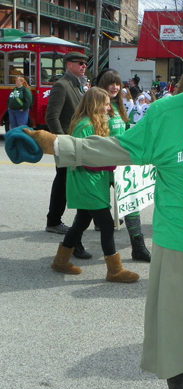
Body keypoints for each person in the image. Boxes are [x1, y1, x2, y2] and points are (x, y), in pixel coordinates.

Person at [25, 35, 183, 389]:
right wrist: (55, 143)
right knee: (176, 320)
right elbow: (116, 146)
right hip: (178, 237)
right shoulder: (165, 113)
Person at [50, 87, 139, 283]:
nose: (109, 108)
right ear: (95, 104)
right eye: (106, 104)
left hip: (92, 180)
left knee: (82, 220)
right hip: (87, 181)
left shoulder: (91, 121)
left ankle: (60, 260)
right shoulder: (85, 125)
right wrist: (111, 162)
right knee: (107, 224)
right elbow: (85, 158)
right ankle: (114, 270)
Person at [96, 69, 151, 262]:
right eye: (110, 83)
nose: (115, 87)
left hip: (120, 166)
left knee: (131, 203)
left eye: (117, 84)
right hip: (101, 166)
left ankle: (139, 246)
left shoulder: (119, 107)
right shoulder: (97, 107)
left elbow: (126, 131)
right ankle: (72, 244)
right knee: (90, 210)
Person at [45, 51, 91, 259]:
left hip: (77, 142)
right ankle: (53, 221)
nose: (83, 66)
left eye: (85, 63)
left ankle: (55, 220)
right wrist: (62, 141)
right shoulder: (62, 85)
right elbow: (52, 116)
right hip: (66, 143)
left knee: (65, 180)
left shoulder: (79, 84)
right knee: (62, 181)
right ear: (69, 64)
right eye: (80, 63)